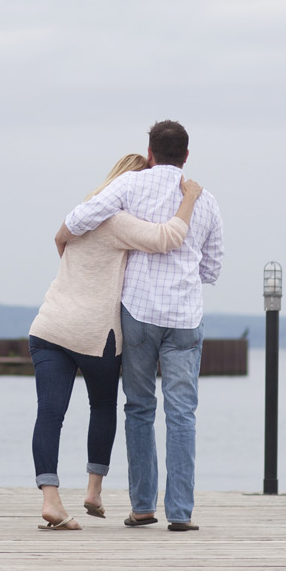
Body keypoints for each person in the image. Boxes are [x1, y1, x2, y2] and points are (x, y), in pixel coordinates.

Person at [59, 120, 223, 531]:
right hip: (185, 318)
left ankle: (143, 507)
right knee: (183, 415)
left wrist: (68, 245)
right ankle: (181, 514)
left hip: (139, 313)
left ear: (149, 153)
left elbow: (81, 217)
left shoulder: (131, 187)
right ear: (186, 155)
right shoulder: (205, 200)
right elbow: (213, 268)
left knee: (139, 409)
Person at [26, 155, 204, 531]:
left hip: (50, 325)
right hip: (96, 334)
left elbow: (59, 239)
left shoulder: (79, 217)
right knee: (103, 405)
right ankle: (93, 490)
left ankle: (50, 499)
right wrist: (189, 198)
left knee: (49, 414)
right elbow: (167, 238)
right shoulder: (118, 222)